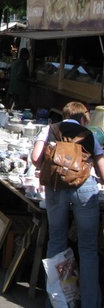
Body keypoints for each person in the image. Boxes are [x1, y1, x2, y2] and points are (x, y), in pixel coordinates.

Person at [31, 101, 104, 307]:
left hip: (55, 187)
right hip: (84, 188)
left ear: (64, 115)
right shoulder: (89, 135)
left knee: (56, 241)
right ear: (83, 118)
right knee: (88, 247)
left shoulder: (50, 129)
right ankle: (91, 303)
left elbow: (36, 158)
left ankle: (55, 301)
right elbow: (103, 173)